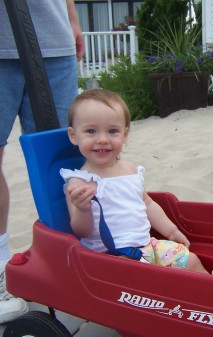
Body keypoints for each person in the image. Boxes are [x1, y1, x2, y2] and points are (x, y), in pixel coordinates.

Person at [60, 89, 212, 275]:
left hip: (147, 246)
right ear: (74, 135)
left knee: (190, 260)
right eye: (91, 131)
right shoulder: (79, 182)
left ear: (125, 135)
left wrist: (171, 231)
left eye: (113, 131)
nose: (102, 139)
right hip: (111, 257)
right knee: (143, 277)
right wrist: (83, 209)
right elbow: (81, 231)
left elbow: (147, 204)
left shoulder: (131, 170)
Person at [0, 0, 84, 322]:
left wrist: (71, 18)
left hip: (51, 40)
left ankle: (71, 262)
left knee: (64, 159)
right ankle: (1, 267)